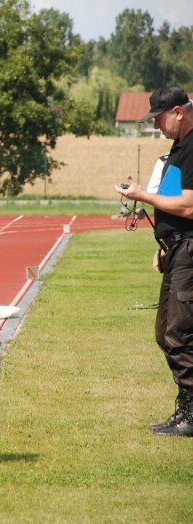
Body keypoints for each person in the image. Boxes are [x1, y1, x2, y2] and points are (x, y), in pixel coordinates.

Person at [116, 85, 193, 437]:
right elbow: (171, 202)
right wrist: (164, 242)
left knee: (178, 332)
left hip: (189, 250)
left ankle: (191, 414)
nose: (157, 125)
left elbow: (189, 205)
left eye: (159, 118)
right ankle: (187, 409)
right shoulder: (178, 148)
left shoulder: (192, 148)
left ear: (178, 112)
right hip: (176, 248)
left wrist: (140, 195)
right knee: (166, 332)